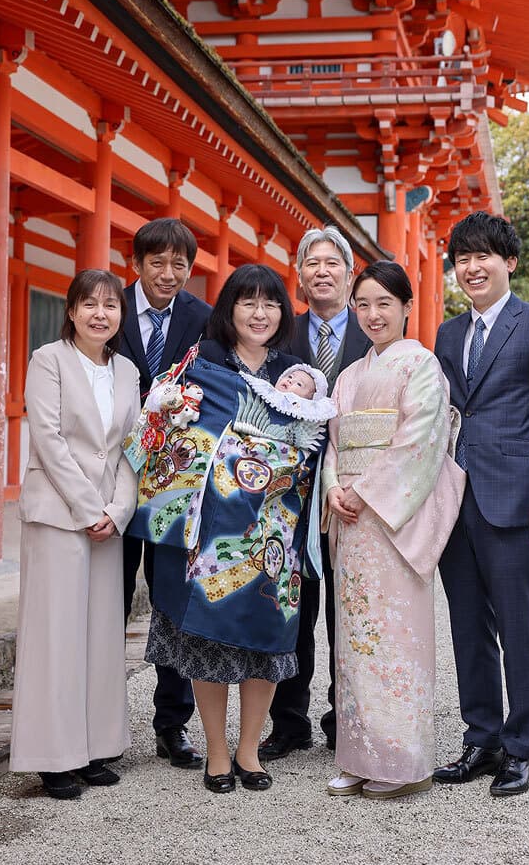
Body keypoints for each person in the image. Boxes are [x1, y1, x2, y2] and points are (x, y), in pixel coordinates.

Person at [142, 264, 319, 795]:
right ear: (229, 310)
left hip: (271, 529)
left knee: (266, 639)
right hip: (210, 531)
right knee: (210, 639)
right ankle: (216, 751)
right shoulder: (202, 365)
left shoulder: (296, 374)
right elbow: (175, 435)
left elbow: (309, 446)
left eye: (270, 303)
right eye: (248, 302)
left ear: (283, 312)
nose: (260, 313)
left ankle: (249, 750)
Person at [433, 211, 529, 797]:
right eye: (462, 258)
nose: (471, 267)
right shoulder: (447, 334)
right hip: (455, 502)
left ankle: (521, 748)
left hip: (515, 502)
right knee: (468, 627)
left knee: (518, 627)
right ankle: (482, 738)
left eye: (482, 256)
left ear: (508, 262)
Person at [322, 261, 464, 799]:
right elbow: (334, 441)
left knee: (396, 638)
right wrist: (335, 487)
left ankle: (403, 762)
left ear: (407, 307)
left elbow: (420, 440)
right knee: (354, 641)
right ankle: (359, 755)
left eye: (385, 303)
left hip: (391, 519)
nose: (374, 314)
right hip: (353, 520)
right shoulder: (349, 375)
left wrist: (365, 491)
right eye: (363, 304)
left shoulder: (421, 365)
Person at [10, 270, 140, 800]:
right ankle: (52, 756)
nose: (100, 314)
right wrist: (89, 508)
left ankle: (92, 748)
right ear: (71, 311)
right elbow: (48, 438)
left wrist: (119, 509)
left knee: (99, 636)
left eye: (110, 306)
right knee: (55, 636)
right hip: (59, 513)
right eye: (89, 304)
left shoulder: (129, 371)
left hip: (107, 518)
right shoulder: (49, 360)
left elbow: (136, 446)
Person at [261, 226, 371, 762]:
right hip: (288, 495)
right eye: (312, 263)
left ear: (349, 275)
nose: (322, 271)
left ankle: (344, 715)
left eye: (332, 263)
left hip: (353, 494)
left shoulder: (375, 333)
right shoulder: (282, 336)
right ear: (299, 277)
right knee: (292, 609)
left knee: (349, 611)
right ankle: (289, 721)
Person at [119, 218, 211, 770]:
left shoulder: (202, 319)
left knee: (172, 600)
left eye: (180, 264)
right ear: (138, 263)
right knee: (106, 600)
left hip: (175, 483)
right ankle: (97, 724)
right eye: (159, 262)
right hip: (112, 475)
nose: (169, 273)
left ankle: (171, 724)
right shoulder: (110, 307)